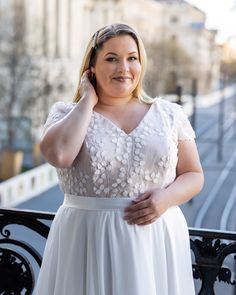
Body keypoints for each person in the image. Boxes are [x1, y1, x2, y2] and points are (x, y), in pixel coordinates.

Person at [35, 23, 204, 295]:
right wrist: (87, 101)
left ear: (141, 64)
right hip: (87, 240)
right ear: (91, 67)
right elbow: (60, 155)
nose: (123, 68)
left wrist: (167, 198)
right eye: (111, 59)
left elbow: (194, 174)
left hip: (156, 239)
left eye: (132, 58)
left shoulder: (169, 115)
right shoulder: (66, 113)